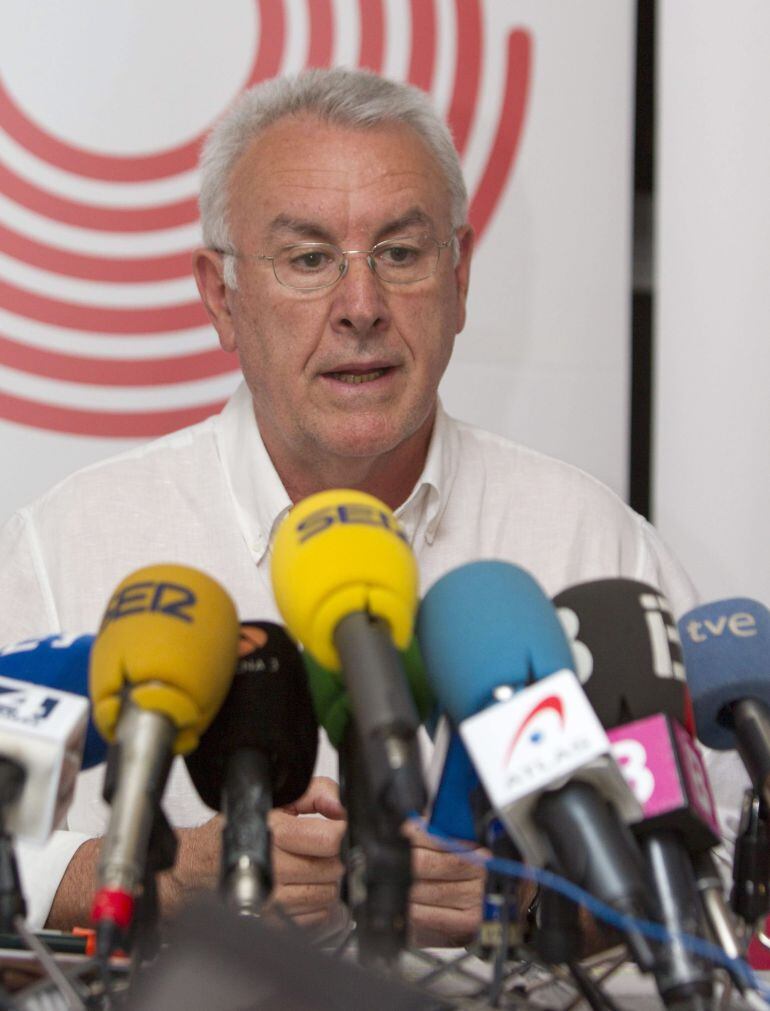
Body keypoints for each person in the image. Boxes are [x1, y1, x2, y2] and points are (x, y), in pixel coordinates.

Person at [0, 67, 728, 943]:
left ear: (459, 278)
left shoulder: (590, 545)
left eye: (401, 254)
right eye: (309, 259)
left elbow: (724, 859)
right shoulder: (69, 544)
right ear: (221, 296)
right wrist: (158, 877)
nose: (361, 307)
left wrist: (541, 893)